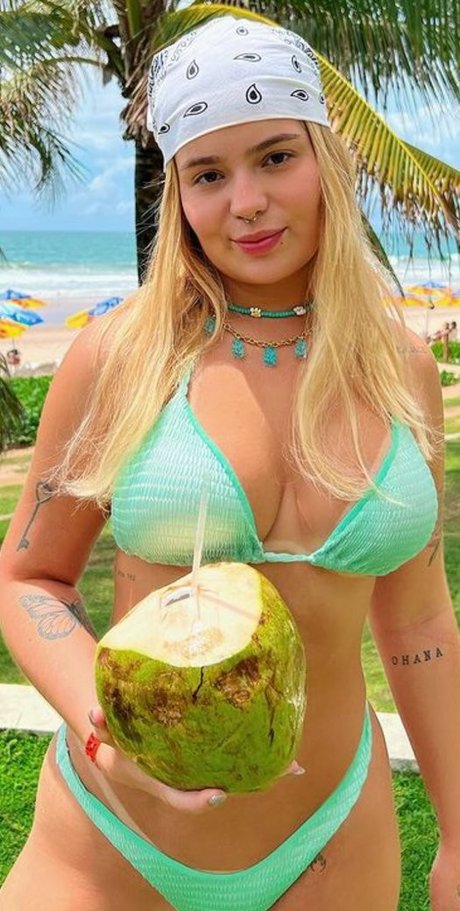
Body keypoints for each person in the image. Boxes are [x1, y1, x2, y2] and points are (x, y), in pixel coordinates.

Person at [0, 14, 458, 911]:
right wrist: (103, 732)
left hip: (334, 842)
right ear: (178, 193)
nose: (244, 201)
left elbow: (417, 619)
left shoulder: (399, 367)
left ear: (328, 160)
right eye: (208, 174)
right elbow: (29, 579)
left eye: (275, 157)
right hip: (112, 847)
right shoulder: (123, 358)